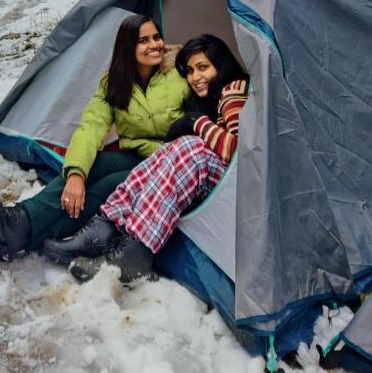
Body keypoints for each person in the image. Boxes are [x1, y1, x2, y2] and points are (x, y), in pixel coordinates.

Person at [0, 14, 191, 262]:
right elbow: (90, 127)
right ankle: (19, 220)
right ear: (128, 46)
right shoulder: (115, 83)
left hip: (171, 162)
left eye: (156, 37)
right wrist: (76, 174)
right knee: (93, 167)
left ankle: (22, 236)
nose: (154, 45)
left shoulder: (179, 74)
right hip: (135, 155)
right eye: (143, 40)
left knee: (109, 186)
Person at [41, 34, 250, 283]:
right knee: (165, 152)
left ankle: (133, 255)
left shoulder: (233, 91)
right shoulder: (215, 97)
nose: (195, 78)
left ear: (221, 64)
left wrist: (195, 121)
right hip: (217, 178)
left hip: (238, 183)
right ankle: (103, 230)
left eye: (203, 67)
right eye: (191, 71)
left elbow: (239, 151)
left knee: (190, 148)